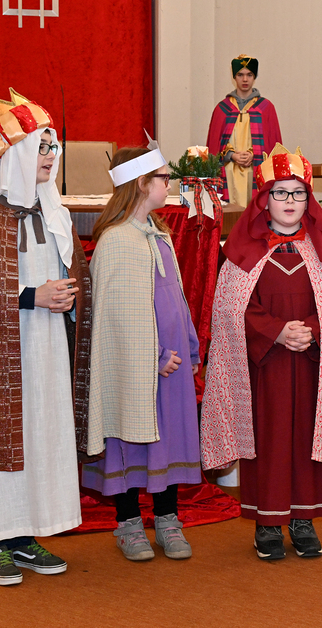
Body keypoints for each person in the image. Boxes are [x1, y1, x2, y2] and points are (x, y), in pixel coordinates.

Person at [0, 92, 93, 586]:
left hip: (47, 348)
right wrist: (33, 297)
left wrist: (70, 293)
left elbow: (71, 273)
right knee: (3, 434)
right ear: (16, 155)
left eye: (53, 147)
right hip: (2, 351)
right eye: (40, 148)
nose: (50, 156)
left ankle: (28, 534)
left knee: (43, 434)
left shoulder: (54, 212)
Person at [200, 145, 322, 560]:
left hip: (313, 365)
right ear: (264, 199)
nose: (290, 201)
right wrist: (276, 332)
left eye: (298, 193)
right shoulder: (242, 252)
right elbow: (232, 309)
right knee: (269, 439)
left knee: (311, 438)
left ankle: (303, 519)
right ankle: (268, 522)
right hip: (265, 367)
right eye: (280, 193)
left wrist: (308, 330)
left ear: (309, 200)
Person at [83, 147, 202, 561]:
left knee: (166, 439)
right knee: (129, 438)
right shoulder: (117, 240)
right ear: (141, 183)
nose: (170, 184)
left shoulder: (158, 233)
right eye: (164, 177)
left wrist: (188, 345)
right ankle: (129, 523)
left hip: (172, 361)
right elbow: (115, 317)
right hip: (141, 365)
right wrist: (154, 358)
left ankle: (168, 519)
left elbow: (175, 296)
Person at [206, 54, 282, 207]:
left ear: (255, 77)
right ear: (234, 77)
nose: (245, 79)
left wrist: (254, 154)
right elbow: (213, 147)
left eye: (249, 75)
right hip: (228, 172)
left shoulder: (266, 108)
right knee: (229, 217)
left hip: (256, 171)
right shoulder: (222, 109)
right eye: (240, 75)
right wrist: (231, 155)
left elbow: (274, 147)